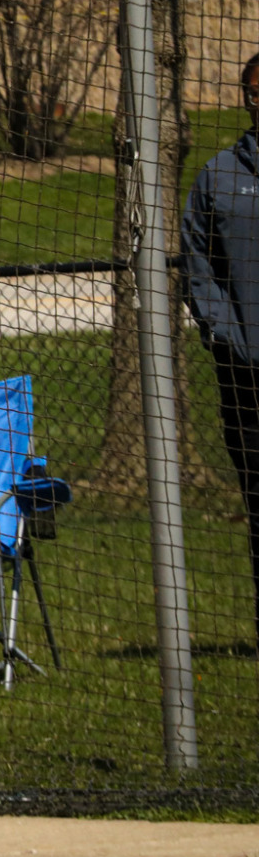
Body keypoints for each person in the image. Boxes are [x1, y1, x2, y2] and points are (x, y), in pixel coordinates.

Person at [183, 50, 259, 636]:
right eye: (255, 92)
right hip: (245, 373)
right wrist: (224, 337)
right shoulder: (218, 175)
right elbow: (197, 266)